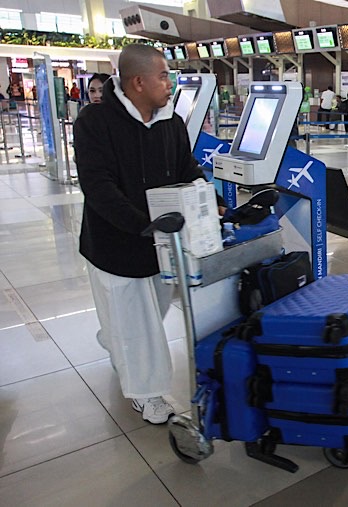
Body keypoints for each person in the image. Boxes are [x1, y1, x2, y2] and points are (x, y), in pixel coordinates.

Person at [74, 44, 210, 424]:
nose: (170, 83)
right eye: (164, 75)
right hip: (115, 245)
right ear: (138, 82)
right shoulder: (95, 123)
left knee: (154, 308)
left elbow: (187, 167)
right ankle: (147, 394)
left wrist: (208, 197)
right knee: (139, 326)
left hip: (162, 243)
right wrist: (141, 226)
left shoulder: (172, 122)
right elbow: (99, 187)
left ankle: (115, 338)